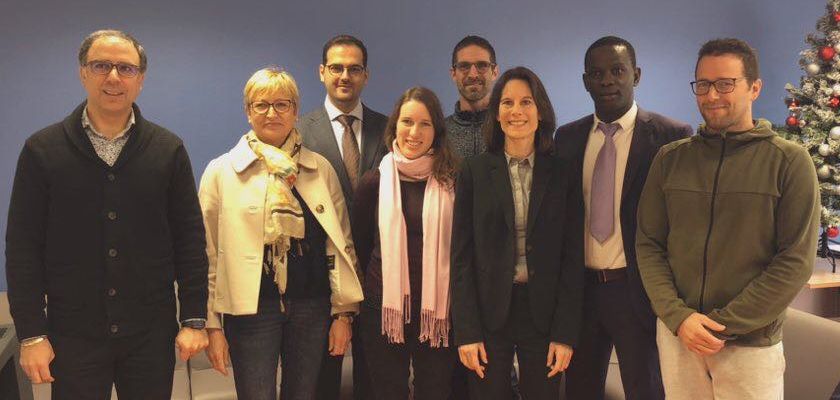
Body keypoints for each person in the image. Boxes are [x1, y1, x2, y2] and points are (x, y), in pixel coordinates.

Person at [5, 29, 209, 399]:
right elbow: (22, 248)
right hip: (72, 336)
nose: (113, 77)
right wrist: (32, 333)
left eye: (126, 68)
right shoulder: (41, 150)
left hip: (150, 333)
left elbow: (190, 240)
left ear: (141, 80)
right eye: (101, 66)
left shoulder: (168, 149)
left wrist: (194, 318)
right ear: (83, 73)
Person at [636, 38, 820, 400]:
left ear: (754, 87)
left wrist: (723, 326)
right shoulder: (670, 160)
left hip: (750, 346)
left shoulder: (789, 162)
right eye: (702, 84)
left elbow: (794, 263)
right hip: (679, 337)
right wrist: (679, 317)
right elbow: (649, 244)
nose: (712, 94)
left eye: (725, 83)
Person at [199, 67, 363, 400]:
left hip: (312, 306)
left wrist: (343, 314)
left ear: (295, 111)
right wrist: (212, 325)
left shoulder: (320, 169)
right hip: (251, 310)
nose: (272, 113)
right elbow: (207, 254)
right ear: (247, 111)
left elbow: (341, 244)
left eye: (282, 104)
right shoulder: (221, 171)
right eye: (261, 105)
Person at [554, 36, 692, 400]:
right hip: (581, 294)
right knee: (579, 391)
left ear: (637, 74)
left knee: (646, 391)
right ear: (586, 81)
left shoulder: (671, 137)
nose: (607, 81)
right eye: (596, 74)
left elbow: (680, 225)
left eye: (617, 70)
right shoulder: (566, 138)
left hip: (638, 293)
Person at [450, 66, 584, 400]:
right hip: (488, 314)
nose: (516, 111)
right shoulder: (475, 171)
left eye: (526, 102)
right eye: (507, 103)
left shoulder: (563, 172)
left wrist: (565, 334)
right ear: (496, 113)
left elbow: (572, 257)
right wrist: (466, 332)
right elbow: (461, 257)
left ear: (541, 111)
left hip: (544, 315)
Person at [352, 86, 459, 399]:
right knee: (387, 391)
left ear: (436, 130)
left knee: (435, 390)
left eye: (425, 123)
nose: (415, 131)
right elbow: (359, 246)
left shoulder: (453, 179)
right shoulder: (374, 181)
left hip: (439, 308)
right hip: (383, 307)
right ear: (394, 126)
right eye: (407, 121)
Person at [296, 34, 387, 400]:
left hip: (378, 271)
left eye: (354, 68)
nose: (344, 75)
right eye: (336, 68)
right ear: (322, 72)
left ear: (366, 75)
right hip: (321, 277)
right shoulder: (299, 132)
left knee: (375, 377)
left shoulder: (390, 129)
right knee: (321, 380)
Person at [445, 35, 500, 159]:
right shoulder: (440, 133)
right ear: (453, 74)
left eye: (482, 65)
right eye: (464, 66)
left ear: (495, 72)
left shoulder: (509, 128)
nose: (473, 74)